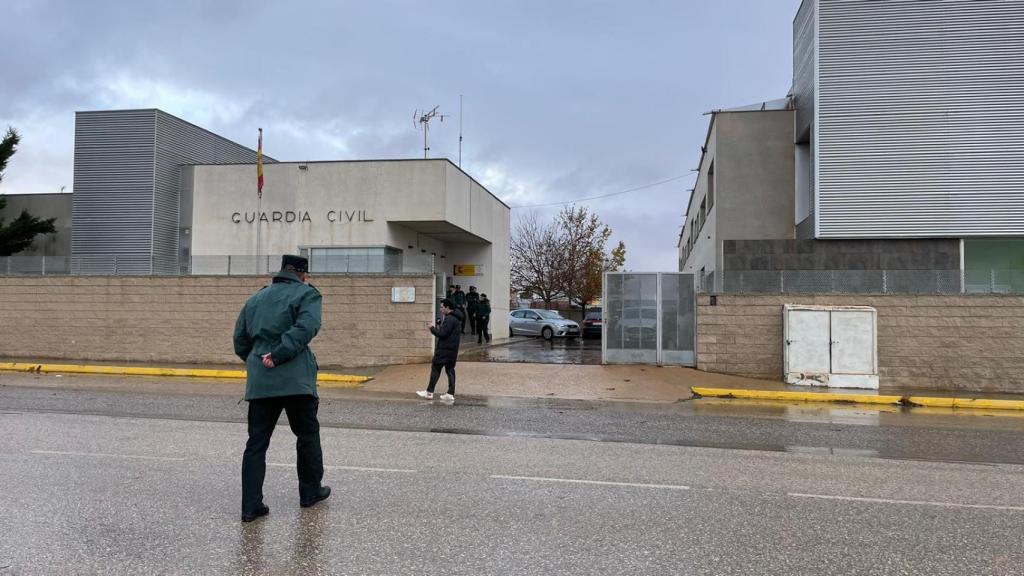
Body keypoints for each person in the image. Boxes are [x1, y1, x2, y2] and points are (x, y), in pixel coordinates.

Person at [233, 254, 331, 523]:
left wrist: (257, 361)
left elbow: (240, 339)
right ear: (303, 275)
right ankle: (310, 492)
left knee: (256, 443)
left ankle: (251, 506)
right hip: (296, 380)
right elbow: (306, 328)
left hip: (261, 381)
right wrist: (278, 355)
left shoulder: (255, 299)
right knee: (307, 435)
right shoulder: (307, 294)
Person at [417, 298, 463, 404]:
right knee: (450, 370)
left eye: (442, 307)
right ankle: (450, 393)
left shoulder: (449, 319)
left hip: (444, 350)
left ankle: (429, 392)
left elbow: (442, 334)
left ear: (447, 307)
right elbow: (445, 332)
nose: (441, 309)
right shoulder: (455, 318)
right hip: (452, 350)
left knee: (436, 368)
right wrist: (439, 326)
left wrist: (432, 328)